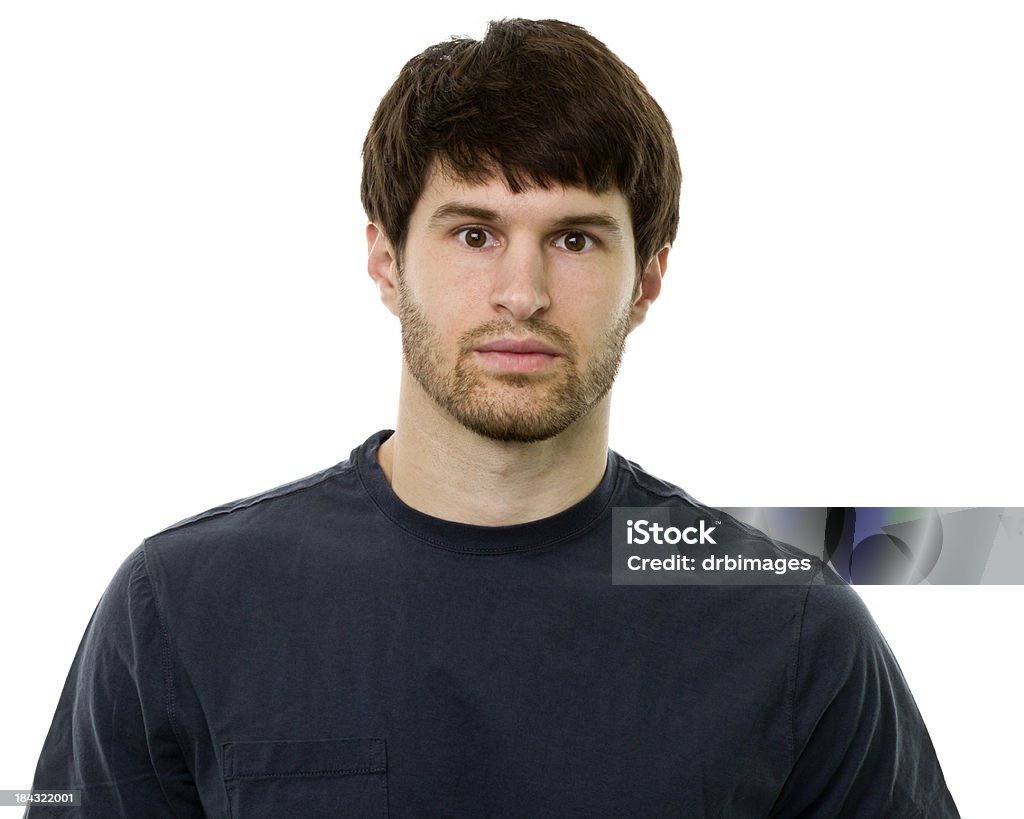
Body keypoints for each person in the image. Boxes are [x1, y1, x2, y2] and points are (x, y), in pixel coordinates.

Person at [27, 18, 958, 817]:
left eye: (575, 238)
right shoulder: (183, 604)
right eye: (474, 234)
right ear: (387, 263)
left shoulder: (789, 627)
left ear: (650, 281)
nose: (522, 292)